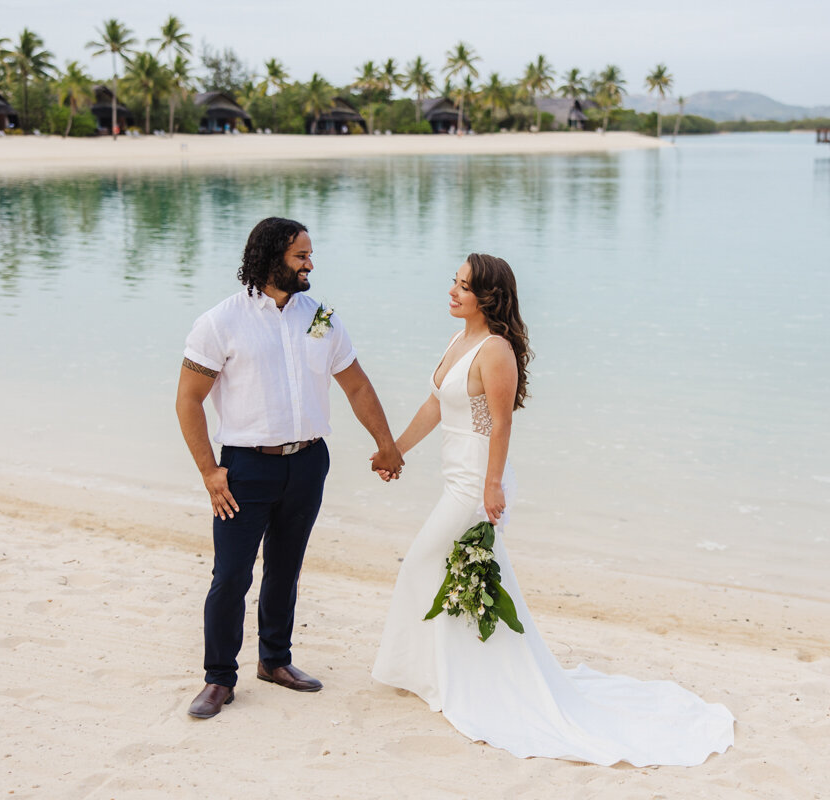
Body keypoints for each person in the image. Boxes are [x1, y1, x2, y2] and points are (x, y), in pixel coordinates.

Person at [371, 253, 735, 766]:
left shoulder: (495, 350)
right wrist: (395, 450)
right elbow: (435, 405)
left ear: (488, 297)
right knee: (446, 574)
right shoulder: (459, 340)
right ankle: (447, 674)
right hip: (456, 477)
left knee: (427, 566)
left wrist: (493, 486)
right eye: (453, 282)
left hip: (477, 483)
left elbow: (500, 424)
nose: (453, 292)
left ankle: (470, 680)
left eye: (465, 286)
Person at [178, 216, 404, 719]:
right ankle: (219, 679)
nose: (310, 264)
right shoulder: (220, 322)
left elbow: (357, 385)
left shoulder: (321, 317)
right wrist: (210, 472)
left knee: (286, 569)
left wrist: (385, 444)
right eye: (301, 256)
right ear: (271, 258)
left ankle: (275, 661)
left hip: (308, 464)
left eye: (310, 254)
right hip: (243, 470)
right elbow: (188, 401)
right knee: (231, 576)